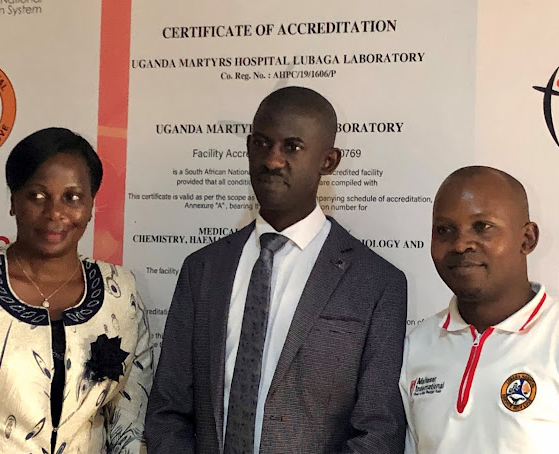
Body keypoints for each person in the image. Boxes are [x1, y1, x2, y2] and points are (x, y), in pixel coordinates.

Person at [146, 86, 408, 454]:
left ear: (328, 161)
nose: (272, 160)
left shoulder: (377, 284)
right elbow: (167, 411)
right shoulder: (202, 270)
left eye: (292, 147)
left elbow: (378, 432)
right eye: (261, 143)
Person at [0, 127, 153, 453]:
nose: (54, 213)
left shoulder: (120, 295)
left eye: (72, 197)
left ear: (91, 205)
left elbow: (129, 426)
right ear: (14, 201)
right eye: (37, 195)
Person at [400, 166, 559, 453]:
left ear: (527, 239)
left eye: (482, 227)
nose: (460, 244)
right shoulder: (416, 346)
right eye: (444, 230)